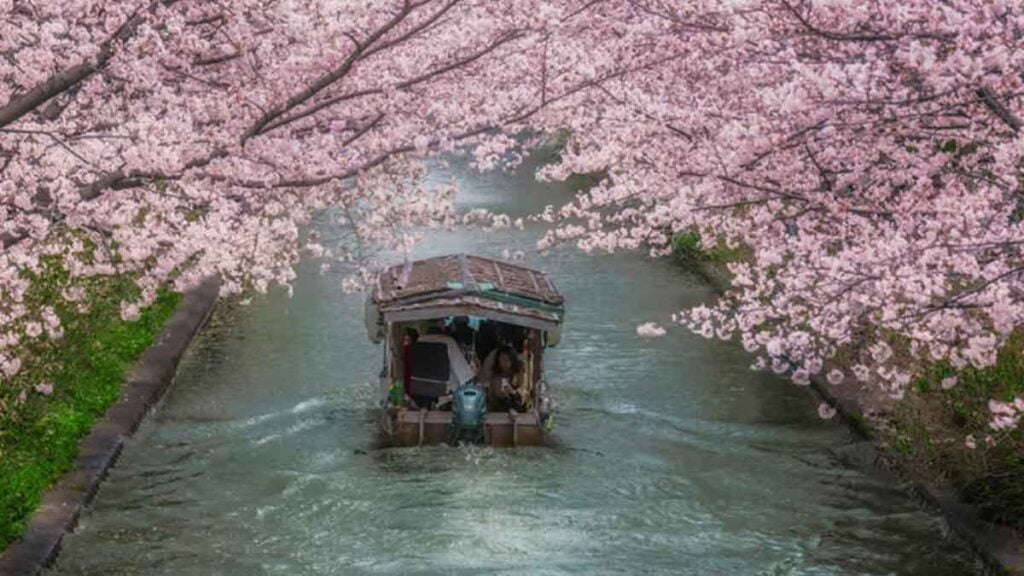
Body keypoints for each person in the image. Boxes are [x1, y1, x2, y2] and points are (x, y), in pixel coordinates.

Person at [479, 344, 526, 411]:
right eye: (501, 359)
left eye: (506, 360)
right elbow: (492, 397)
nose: (504, 363)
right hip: (498, 410)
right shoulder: (496, 376)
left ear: (512, 360)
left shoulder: (518, 373)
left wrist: (514, 392)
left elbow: (524, 391)